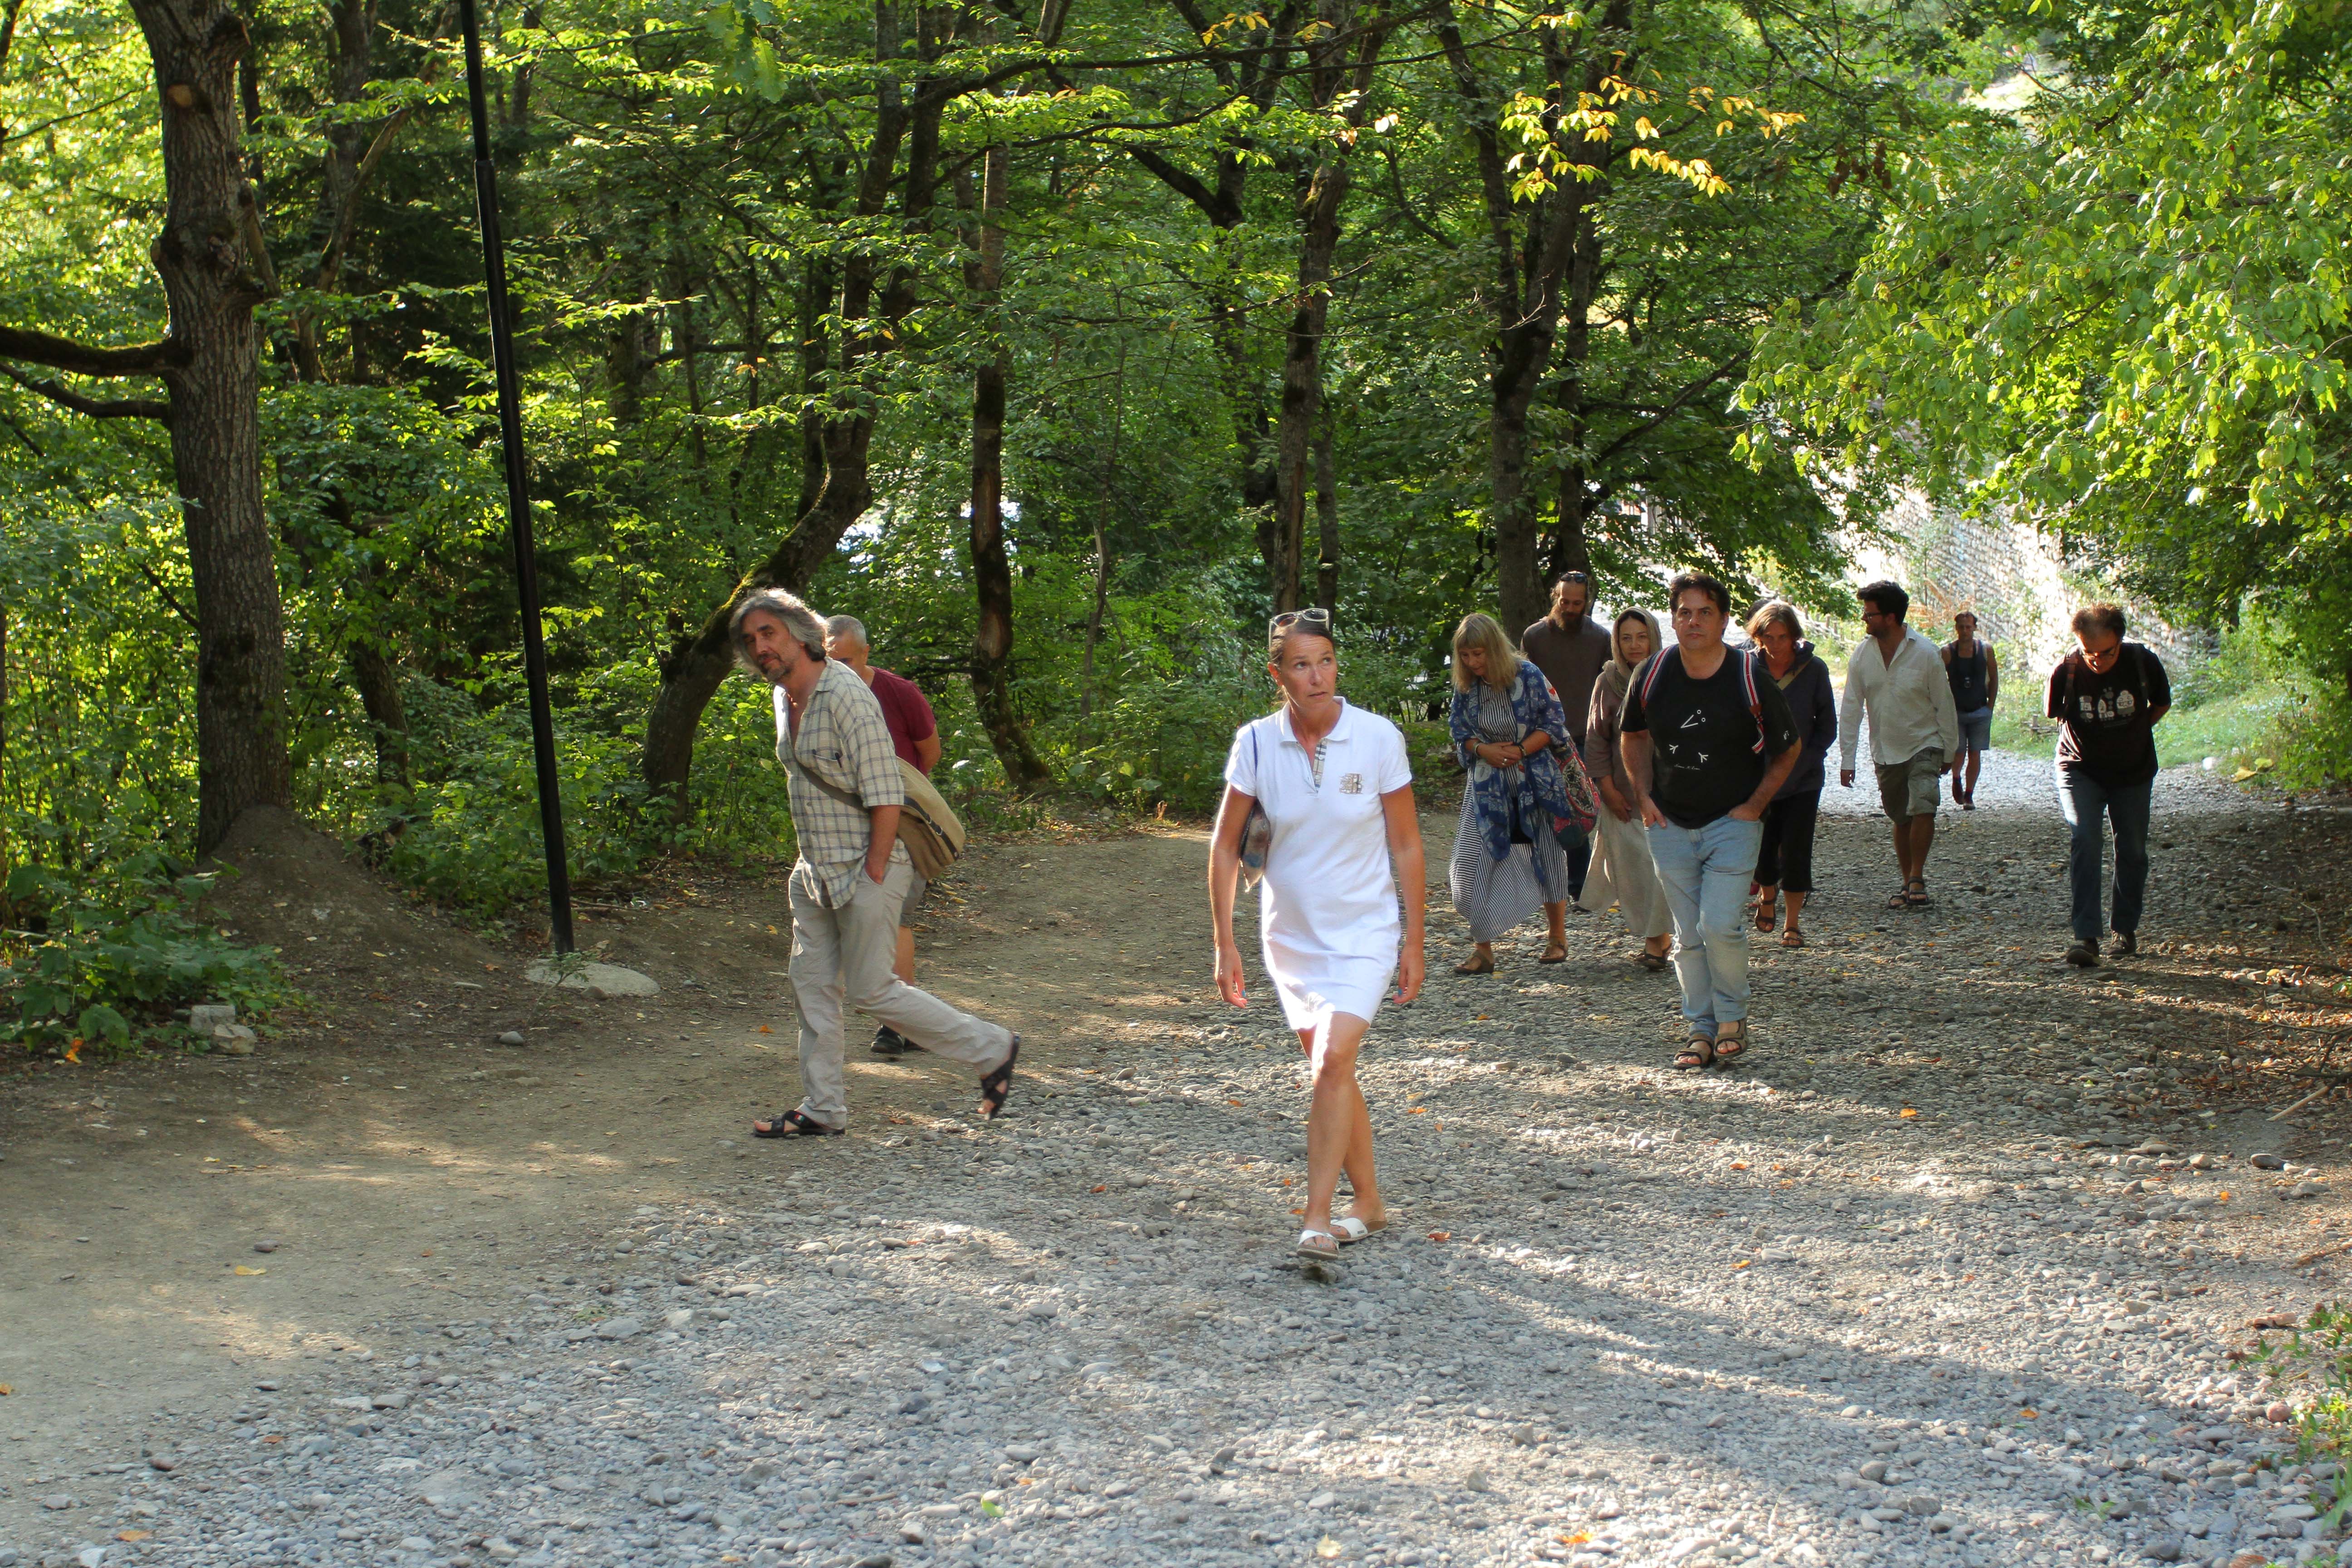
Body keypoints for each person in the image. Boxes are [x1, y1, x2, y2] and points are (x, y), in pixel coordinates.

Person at [734, 588, 1019, 1135]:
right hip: (814, 870)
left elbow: (886, 790)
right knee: (811, 986)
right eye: (750, 640)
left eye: (769, 632)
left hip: (870, 864)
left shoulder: (845, 693)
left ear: (801, 633)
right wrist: (808, 864)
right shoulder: (781, 697)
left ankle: (993, 1047)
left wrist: (876, 868)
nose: (760, 646)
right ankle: (823, 1108)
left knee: (872, 991)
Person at [1210, 608, 1426, 1261]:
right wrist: (1225, 942)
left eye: (1325, 661)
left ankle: (1316, 1218)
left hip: (1365, 933)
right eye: (1301, 665)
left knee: (1332, 1060)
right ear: (1276, 674)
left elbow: (1408, 845)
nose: (1317, 676)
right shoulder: (1255, 743)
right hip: (1292, 940)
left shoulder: (1377, 737)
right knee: (1333, 1069)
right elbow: (1224, 848)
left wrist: (1415, 941)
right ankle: (1371, 1204)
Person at [1620, 573, 1802, 1069]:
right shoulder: (1652, 673)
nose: (1694, 621)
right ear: (1673, 619)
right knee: (1689, 935)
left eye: (1705, 612)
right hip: (1669, 824)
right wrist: (1642, 795)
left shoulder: (1748, 675)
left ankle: (1733, 1019)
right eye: (1684, 612)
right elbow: (1633, 735)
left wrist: (1755, 805)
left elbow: (1789, 748)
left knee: (1719, 925)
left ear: (1723, 621)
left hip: (1733, 822)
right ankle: (1701, 1030)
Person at [823, 615, 942, 1060]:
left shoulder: (899, 692)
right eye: (828, 661)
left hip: (901, 824)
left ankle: (900, 1024)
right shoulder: (820, 699)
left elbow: (930, 753)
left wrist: (897, 799)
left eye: (845, 661)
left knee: (896, 920)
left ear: (866, 653)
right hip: (843, 826)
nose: (837, 670)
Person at [1446, 612, 1592, 974]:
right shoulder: (1467, 686)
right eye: (1465, 656)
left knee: (1548, 856)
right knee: (1471, 863)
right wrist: (1483, 750)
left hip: (1536, 780)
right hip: (1486, 786)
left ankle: (1557, 936)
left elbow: (1553, 723)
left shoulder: (1528, 675)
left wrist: (1521, 750)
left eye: (1479, 654)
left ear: (1494, 648)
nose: (1473, 662)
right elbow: (1459, 731)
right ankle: (1483, 948)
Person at [2047, 603, 2170, 967]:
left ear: (2121, 641)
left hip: (2133, 771)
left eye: (2107, 653)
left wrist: (2133, 733)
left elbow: (2161, 703)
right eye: (2090, 652)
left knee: (2132, 848)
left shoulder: (2142, 662)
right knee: (2085, 838)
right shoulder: (2067, 669)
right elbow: (2054, 712)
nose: (2098, 661)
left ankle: (2125, 930)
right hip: (2079, 768)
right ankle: (2086, 937)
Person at [1838, 580, 1961, 909]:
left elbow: (1944, 705)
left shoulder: (1926, 653)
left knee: (1924, 806)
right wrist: (1847, 759)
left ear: (1890, 617)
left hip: (1925, 743)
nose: (1864, 619)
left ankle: (1918, 876)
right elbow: (1851, 708)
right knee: (1900, 816)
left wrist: (1950, 750)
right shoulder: (1862, 655)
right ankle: (1907, 881)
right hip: (1886, 749)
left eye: (1870, 614)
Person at [1579, 608, 1676, 971]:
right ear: (1616, 643)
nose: (1635, 645)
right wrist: (1607, 789)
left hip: (1668, 794)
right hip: (1623, 794)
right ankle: (1656, 938)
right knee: (1636, 873)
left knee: (1662, 870)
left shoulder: (1672, 675)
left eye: (1641, 637)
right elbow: (1595, 739)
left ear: (1654, 638)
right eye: (1626, 638)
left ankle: (1658, 940)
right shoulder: (1608, 682)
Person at [1744, 601, 1838, 950]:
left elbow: (1826, 725)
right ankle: (1767, 895)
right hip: (1759, 776)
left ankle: (1793, 923)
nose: (1776, 644)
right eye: (1769, 637)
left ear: (1794, 636)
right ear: (1758, 636)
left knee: (1798, 850)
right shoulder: (1747, 667)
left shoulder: (1814, 670)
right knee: (1763, 848)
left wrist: (1806, 760)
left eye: (1782, 637)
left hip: (1804, 778)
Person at [1522, 571, 1611, 901]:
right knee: (1535, 812)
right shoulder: (1534, 637)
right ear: (1554, 598)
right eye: (1565, 601)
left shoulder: (1600, 639)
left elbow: (1609, 690)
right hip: (1538, 739)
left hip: (1582, 739)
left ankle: (1577, 886)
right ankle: (1536, 882)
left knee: (1578, 813)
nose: (1570, 608)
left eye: (1577, 603)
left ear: (1586, 602)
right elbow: (1522, 688)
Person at [1942, 610, 1999, 809]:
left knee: (1975, 754)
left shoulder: (1985, 650)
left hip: (1980, 710)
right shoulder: (1947, 652)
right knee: (1958, 752)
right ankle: (1956, 778)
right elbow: (1938, 680)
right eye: (1962, 627)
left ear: (1975, 628)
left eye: (1969, 627)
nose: (1965, 631)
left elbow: (1994, 677)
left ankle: (1969, 794)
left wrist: (1990, 706)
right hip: (1956, 712)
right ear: (1956, 628)